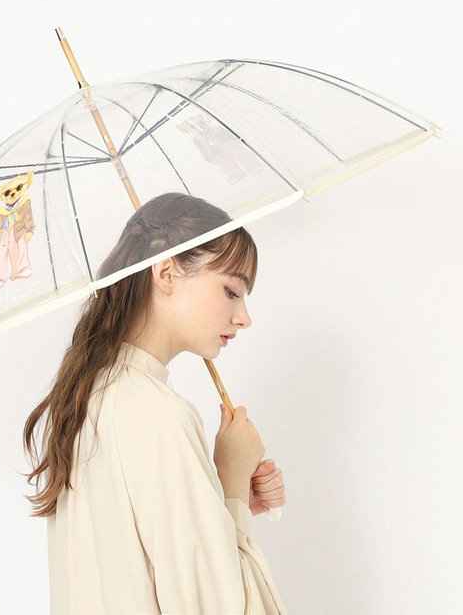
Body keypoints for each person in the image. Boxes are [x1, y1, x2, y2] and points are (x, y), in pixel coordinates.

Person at [23, 191, 287, 614]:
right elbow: (218, 606)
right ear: (165, 273)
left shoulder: (84, 397)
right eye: (231, 290)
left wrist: (220, 502)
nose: (244, 317)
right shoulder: (161, 416)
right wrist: (234, 481)